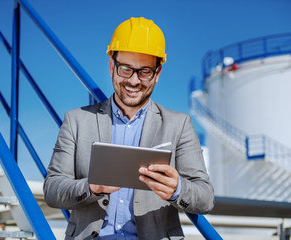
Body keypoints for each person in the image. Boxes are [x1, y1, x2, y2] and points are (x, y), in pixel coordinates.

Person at [43, 17, 214, 240]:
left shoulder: (179, 125)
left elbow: (206, 197)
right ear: (112, 66)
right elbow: (53, 189)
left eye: (144, 71)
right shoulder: (76, 121)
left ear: (158, 73)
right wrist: (91, 187)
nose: (134, 81)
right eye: (125, 69)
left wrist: (177, 189)